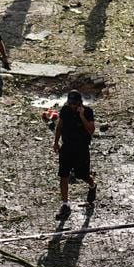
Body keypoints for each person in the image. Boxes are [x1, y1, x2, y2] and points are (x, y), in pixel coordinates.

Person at [53, 90, 96, 219]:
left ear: (79, 103)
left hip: (81, 149)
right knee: (63, 175)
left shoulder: (88, 112)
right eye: (71, 104)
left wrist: (82, 116)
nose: (72, 106)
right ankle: (65, 205)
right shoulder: (65, 111)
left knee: (82, 174)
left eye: (75, 104)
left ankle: (92, 185)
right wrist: (56, 142)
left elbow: (91, 130)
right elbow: (59, 127)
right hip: (66, 148)